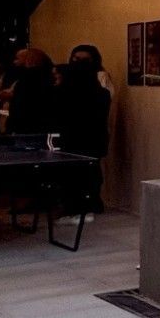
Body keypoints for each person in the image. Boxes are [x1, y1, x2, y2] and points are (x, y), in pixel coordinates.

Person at [56, 52, 112, 214]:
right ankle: (92, 202)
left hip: (70, 139)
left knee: (71, 174)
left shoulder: (62, 93)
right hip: (95, 138)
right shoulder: (102, 93)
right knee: (92, 171)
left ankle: (74, 205)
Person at [6, 46, 57, 137]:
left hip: (27, 126)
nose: (14, 62)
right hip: (45, 125)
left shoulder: (27, 80)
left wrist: (11, 126)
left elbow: (20, 106)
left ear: (28, 60)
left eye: (17, 59)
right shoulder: (49, 77)